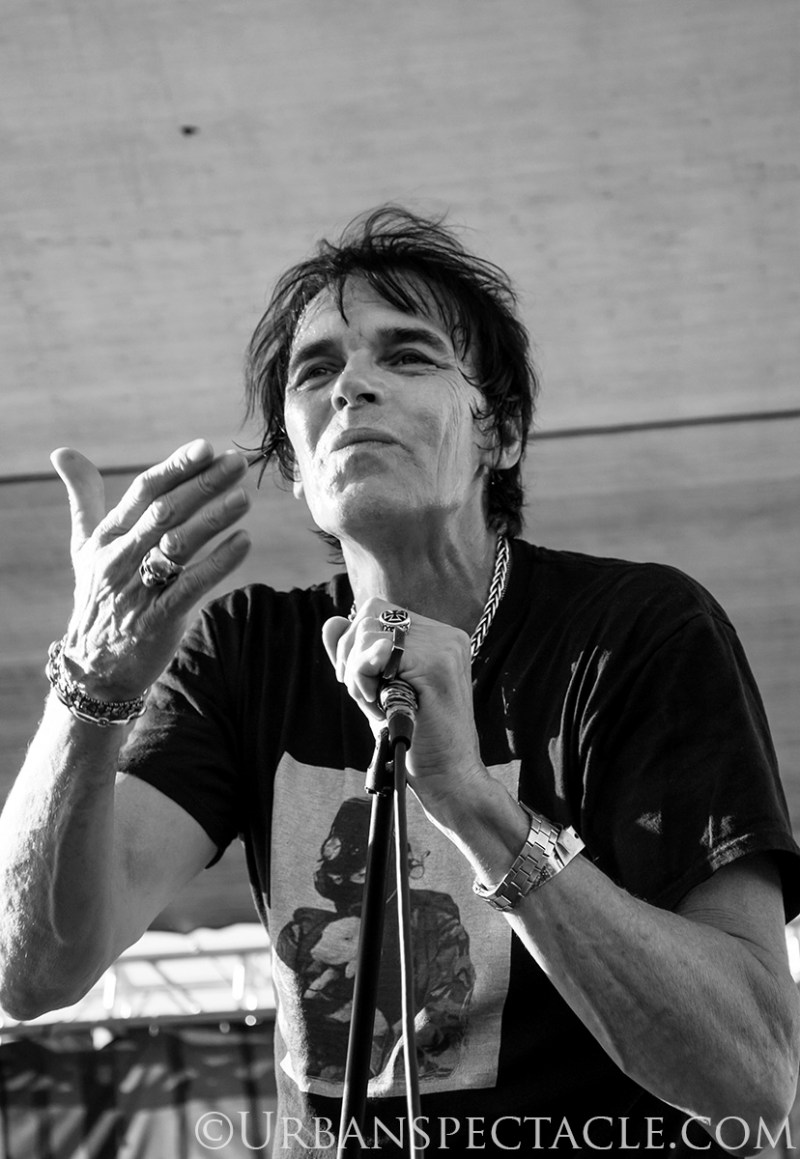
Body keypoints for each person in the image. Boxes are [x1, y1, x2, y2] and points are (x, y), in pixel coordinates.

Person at [0, 206, 798, 1156]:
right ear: (296, 469)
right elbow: (32, 971)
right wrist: (91, 678)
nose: (351, 386)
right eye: (316, 371)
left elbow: (753, 1074)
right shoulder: (246, 650)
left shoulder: (635, 632)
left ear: (500, 432)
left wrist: (471, 800)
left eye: (408, 355)